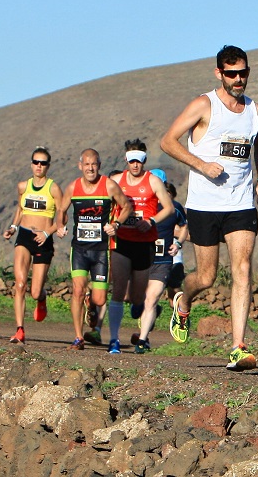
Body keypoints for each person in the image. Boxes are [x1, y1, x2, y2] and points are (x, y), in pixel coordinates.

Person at [160, 45, 258, 371]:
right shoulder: (203, 104)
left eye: (243, 73)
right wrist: (201, 164)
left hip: (240, 204)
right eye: (232, 74)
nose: (239, 80)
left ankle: (238, 346)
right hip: (204, 205)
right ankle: (183, 299)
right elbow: (168, 141)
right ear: (219, 74)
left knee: (242, 269)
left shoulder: (255, 111)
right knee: (206, 277)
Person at [54, 149, 131, 349]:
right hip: (79, 249)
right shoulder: (73, 187)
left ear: (99, 165)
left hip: (100, 251)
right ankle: (78, 337)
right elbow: (61, 209)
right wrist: (60, 225)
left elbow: (127, 206)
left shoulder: (108, 186)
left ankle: (91, 302)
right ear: (80, 166)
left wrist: (116, 225)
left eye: (94, 164)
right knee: (77, 290)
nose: (90, 168)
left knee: (100, 298)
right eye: (86, 164)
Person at [109, 139, 174, 354]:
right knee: (119, 292)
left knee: (140, 298)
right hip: (122, 242)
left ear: (145, 160)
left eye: (140, 161)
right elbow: (105, 202)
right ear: (126, 160)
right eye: (132, 161)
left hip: (145, 244)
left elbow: (169, 209)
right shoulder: (117, 181)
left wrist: (151, 221)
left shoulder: (153, 181)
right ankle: (114, 341)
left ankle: (141, 323)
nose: (135, 165)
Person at [1, 147, 63, 344]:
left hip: (43, 239)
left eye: (43, 163)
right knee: (20, 284)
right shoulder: (23, 186)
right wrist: (12, 227)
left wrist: (48, 233)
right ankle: (20, 330)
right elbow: (20, 209)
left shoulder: (53, 188)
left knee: (35, 291)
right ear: (31, 164)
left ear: (48, 166)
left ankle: (42, 297)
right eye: (36, 162)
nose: (39, 166)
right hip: (25, 236)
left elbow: (62, 216)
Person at [134, 168, 186, 353]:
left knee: (152, 299)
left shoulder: (174, 207)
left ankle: (142, 341)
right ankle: (140, 310)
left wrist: (178, 244)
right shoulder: (139, 204)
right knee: (138, 302)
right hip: (140, 259)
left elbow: (184, 226)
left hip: (163, 261)